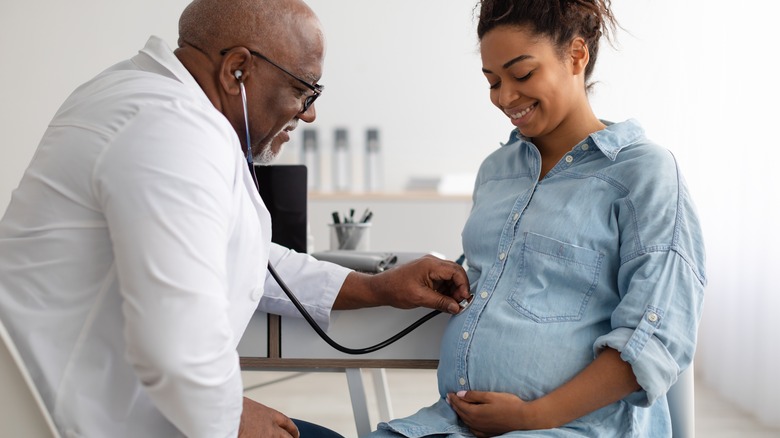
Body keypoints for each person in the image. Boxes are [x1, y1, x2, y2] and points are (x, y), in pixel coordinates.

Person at [0, 0, 471, 437]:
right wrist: (231, 416)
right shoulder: (171, 131)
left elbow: (240, 255)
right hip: (82, 418)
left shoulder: (146, 99)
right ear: (237, 70)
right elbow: (178, 347)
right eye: (303, 90)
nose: (308, 115)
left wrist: (375, 287)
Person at [371, 0, 706, 437]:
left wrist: (533, 416)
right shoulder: (497, 170)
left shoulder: (644, 173)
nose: (505, 97)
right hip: (451, 423)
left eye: (522, 74)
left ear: (576, 55)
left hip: (576, 429)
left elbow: (655, 336)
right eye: (492, 81)